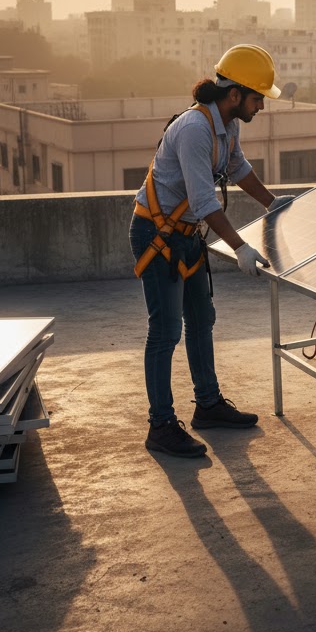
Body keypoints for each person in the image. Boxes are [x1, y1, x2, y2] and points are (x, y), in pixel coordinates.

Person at [131, 44, 292, 458]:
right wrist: (240, 247)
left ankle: (208, 405)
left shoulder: (228, 125)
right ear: (234, 94)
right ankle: (160, 426)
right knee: (166, 331)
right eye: (257, 98)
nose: (261, 106)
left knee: (202, 319)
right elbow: (204, 201)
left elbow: (238, 168)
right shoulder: (194, 129)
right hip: (157, 234)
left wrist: (272, 204)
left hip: (186, 234)